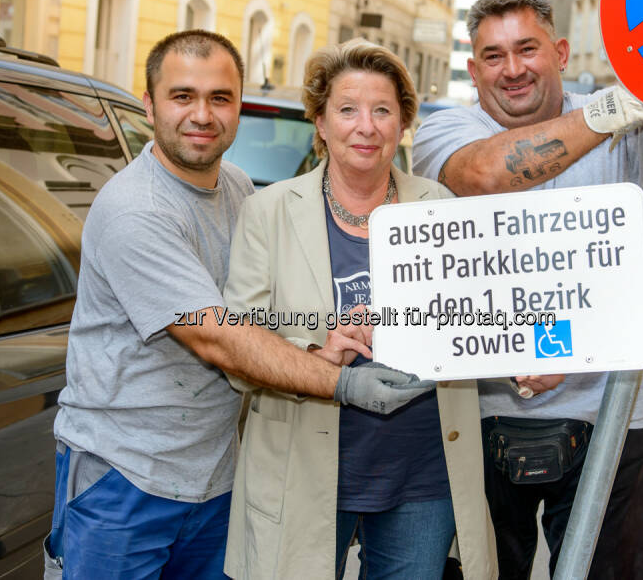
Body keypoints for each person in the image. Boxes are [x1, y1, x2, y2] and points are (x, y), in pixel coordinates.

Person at [46, 30, 434, 579]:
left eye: (220, 98)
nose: (202, 114)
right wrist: (341, 383)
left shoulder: (235, 186)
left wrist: (321, 343)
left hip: (216, 475)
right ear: (148, 104)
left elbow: (274, 313)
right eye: (182, 96)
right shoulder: (137, 210)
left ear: (238, 106)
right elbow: (219, 337)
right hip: (126, 479)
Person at [412, 0, 643, 580]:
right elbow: (487, 176)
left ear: (562, 51)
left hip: (612, 414)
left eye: (528, 48)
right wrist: (610, 112)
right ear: (472, 69)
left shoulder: (629, 124)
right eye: (493, 56)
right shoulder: (447, 133)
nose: (512, 69)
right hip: (477, 417)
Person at [221, 38, 497, 580]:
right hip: (304, 467)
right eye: (347, 110)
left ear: (403, 124)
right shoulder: (268, 211)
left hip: (421, 473)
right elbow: (237, 348)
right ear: (320, 123)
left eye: (382, 110)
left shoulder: (438, 206)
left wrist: (521, 353)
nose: (365, 127)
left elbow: (474, 321)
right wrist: (315, 355)